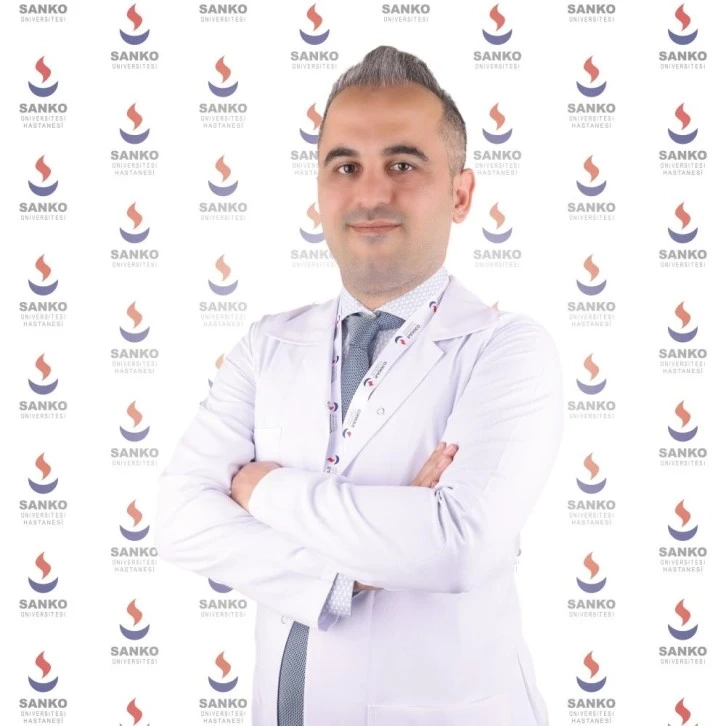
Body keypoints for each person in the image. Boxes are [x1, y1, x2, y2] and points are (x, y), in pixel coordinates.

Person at [156, 45, 563, 726]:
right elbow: (178, 520)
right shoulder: (266, 345)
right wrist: (360, 568)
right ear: (319, 193)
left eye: (403, 165)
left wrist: (263, 491)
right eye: (346, 167)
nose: (371, 194)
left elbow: (456, 545)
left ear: (461, 194)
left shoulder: (508, 350)